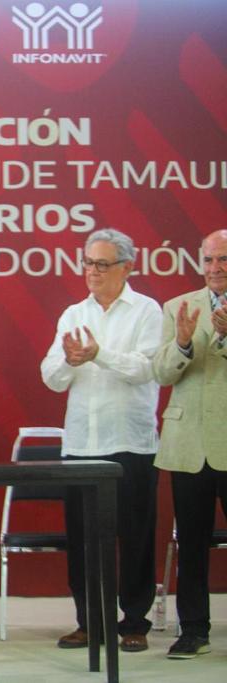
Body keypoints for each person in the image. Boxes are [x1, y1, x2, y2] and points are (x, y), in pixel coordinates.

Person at [40, 228, 161, 653]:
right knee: (83, 540)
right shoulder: (73, 313)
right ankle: (89, 621)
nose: (92, 271)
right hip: (81, 444)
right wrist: (71, 361)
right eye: (88, 263)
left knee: (135, 537)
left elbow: (147, 369)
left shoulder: (147, 311)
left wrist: (99, 355)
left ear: (127, 267)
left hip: (131, 442)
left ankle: (134, 622)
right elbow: (51, 377)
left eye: (102, 264)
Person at [152, 229, 227, 659]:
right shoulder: (177, 307)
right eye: (210, 260)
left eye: (224, 260)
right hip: (188, 443)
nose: (216, 268)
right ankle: (193, 630)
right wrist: (182, 342)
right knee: (191, 544)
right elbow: (162, 373)